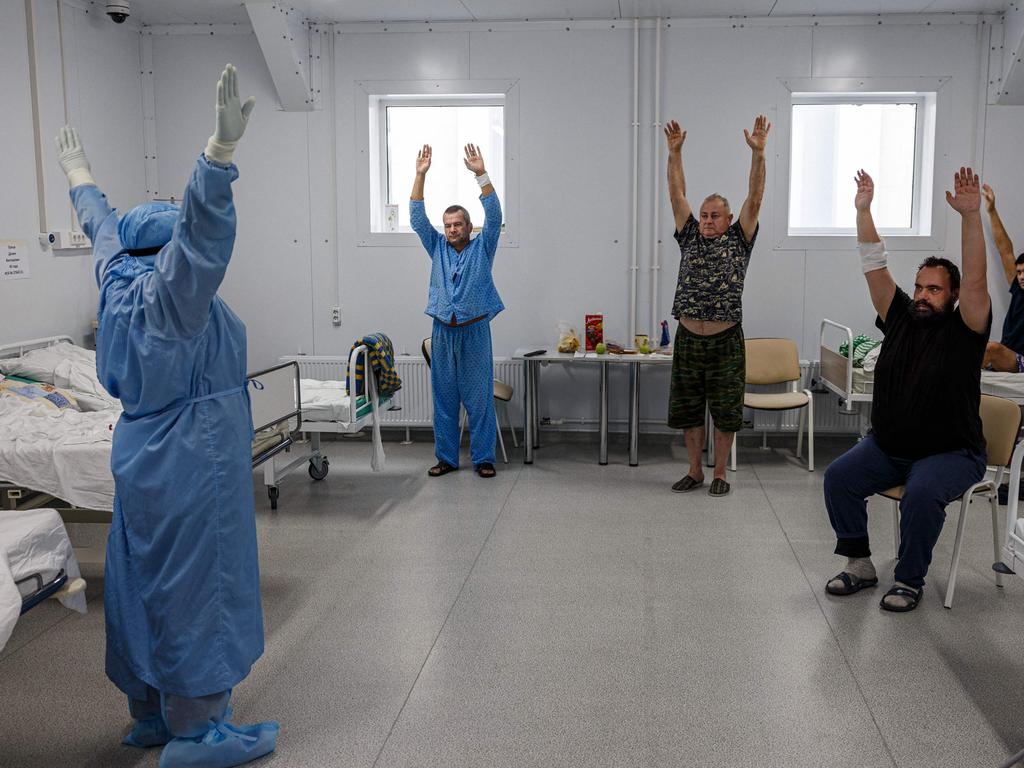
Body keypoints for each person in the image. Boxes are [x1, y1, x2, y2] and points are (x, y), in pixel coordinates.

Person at [55, 64, 278, 767]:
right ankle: (198, 730)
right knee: (198, 588)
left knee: (140, 578)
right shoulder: (169, 299)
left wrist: (79, 177)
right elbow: (202, 239)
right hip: (193, 458)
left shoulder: (116, 279)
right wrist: (217, 157)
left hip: (141, 453)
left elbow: (98, 226)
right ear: (170, 254)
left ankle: (147, 711)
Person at [822, 168, 990, 613]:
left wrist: (971, 217)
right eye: (919, 286)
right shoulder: (899, 316)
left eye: (934, 290)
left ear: (952, 297)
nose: (921, 295)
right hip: (889, 446)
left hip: (952, 453)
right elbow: (873, 263)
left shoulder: (966, 330)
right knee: (839, 477)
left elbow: (975, 279)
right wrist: (863, 210)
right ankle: (859, 563)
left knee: (920, 494)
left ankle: (909, 580)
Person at [664, 115, 770, 497]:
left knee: (725, 410)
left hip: (726, 341)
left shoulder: (740, 239)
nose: (707, 220)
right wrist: (674, 154)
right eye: (704, 215)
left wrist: (758, 154)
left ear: (728, 219)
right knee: (690, 409)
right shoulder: (689, 235)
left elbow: (755, 197)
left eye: (714, 216)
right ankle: (694, 470)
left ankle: (721, 471)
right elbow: (677, 195)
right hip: (689, 338)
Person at [410, 143, 503, 479]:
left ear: (468, 227)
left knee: (479, 399)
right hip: (442, 332)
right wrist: (420, 175)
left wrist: (481, 174)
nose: (451, 230)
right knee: (445, 399)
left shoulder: (483, 247)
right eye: (448, 225)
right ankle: (447, 458)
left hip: (475, 331)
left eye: (457, 224)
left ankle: (484, 459)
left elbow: (495, 216)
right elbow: (417, 219)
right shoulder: (436, 247)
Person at [979, 183, 1024, 371]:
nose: (1020, 276)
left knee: (992, 348)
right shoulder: (1019, 290)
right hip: (1009, 354)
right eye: (1019, 272)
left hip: (1021, 360)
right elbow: (1005, 251)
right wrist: (991, 210)